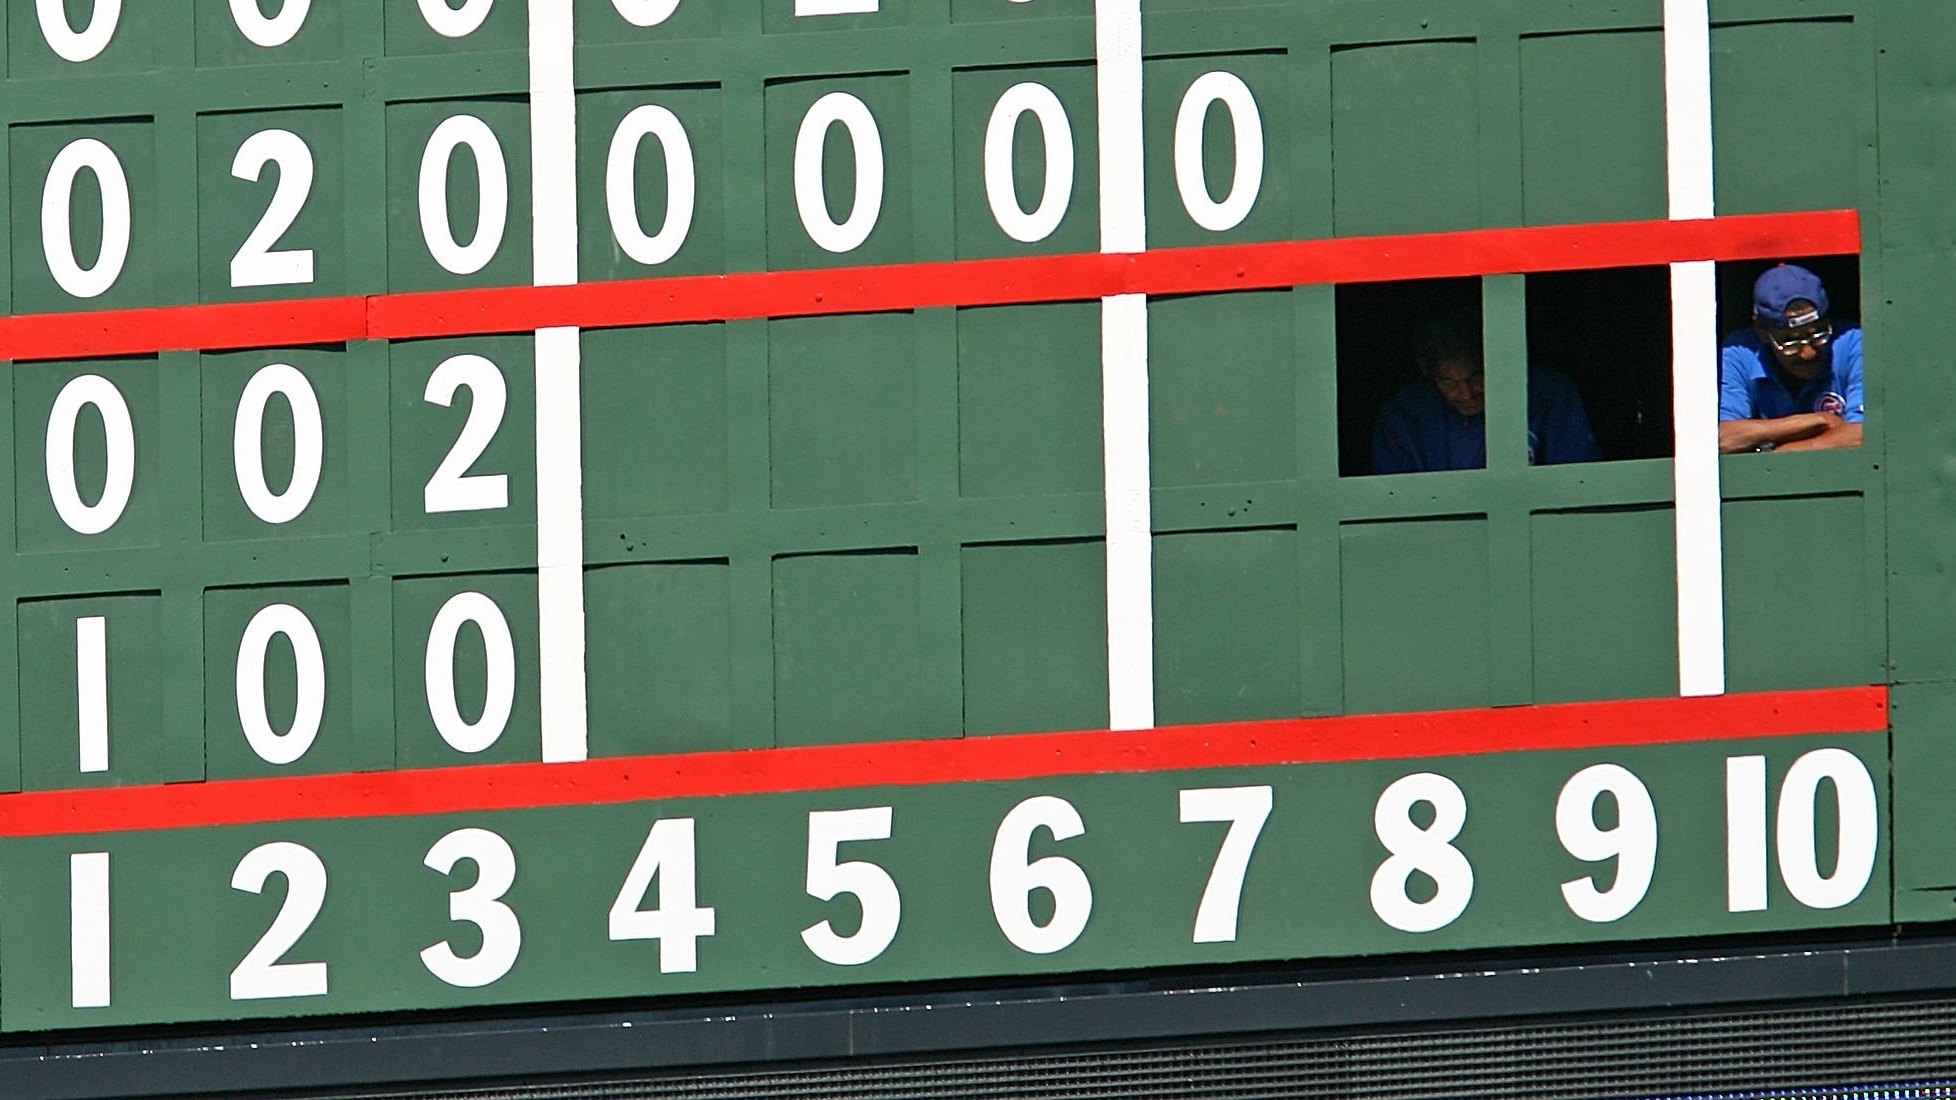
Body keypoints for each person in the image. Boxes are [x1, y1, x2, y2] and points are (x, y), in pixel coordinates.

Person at [1371, 324, 1601, 474]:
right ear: (1426, 372)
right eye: (1448, 382)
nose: (1466, 393)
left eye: (1476, 376)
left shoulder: (1548, 393)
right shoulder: (1405, 414)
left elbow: (1578, 479)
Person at [1718, 264, 1864, 453]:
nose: (1808, 352)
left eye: (1818, 334)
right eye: (1790, 340)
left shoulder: (1853, 341)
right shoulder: (1739, 351)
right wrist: (1819, 420)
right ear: (1762, 332)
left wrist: (1779, 453)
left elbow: (1862, 435)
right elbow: (1724, 439)